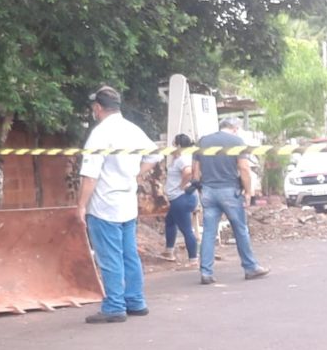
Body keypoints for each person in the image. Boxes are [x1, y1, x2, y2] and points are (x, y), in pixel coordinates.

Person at [78, 86, 162, 324]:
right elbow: (155, 155)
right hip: (127, 204)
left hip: (104, 206)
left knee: (110, 258)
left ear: (97, 108)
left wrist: (80, 206)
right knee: (129, 255)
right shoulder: (132, 130)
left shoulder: (100, 133)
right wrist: (135, 174)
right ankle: (135, 301)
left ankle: (115, 305)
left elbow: (90, 175)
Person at [193, 117, 270, 284]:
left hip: (208, 190)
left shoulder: (203, 141)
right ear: (235, 128)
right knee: (240, 230)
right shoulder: (236, 141)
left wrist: (200, 187)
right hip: (229, 191)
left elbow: (195, 170)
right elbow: (243, 168)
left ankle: (206, 272)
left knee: (208, 232)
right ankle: (250, 267)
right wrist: (248, 192)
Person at [161, 133, 199, 265]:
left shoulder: (183, 158)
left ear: (178, 145)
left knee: (186, 229)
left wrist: (182, 185)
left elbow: (188, 172)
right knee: (170, 221)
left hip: (181, 198)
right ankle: (169, 250)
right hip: (180, 198)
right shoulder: (182, 157)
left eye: (173, 144)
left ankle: (193, 259)